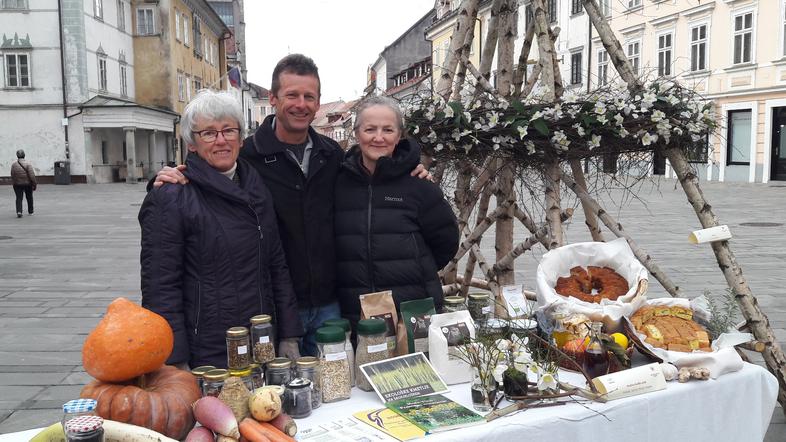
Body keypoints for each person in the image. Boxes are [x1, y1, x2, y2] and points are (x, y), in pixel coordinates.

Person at [155, 54, 430, 356]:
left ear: (317, 101)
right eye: (292, 95)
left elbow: (373, 178)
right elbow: (207, 175)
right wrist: (173, 177)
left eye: (309, 96)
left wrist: (411, 173)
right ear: (273, 98)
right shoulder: (247, 158)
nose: (301, 104)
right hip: (272, 308)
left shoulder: (333, 156)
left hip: (330, 305)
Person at [139, 90, 303, 368]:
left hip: (261, 342)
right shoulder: (173, 195)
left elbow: (277, 265)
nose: (221, 140)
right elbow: (160, 287)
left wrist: (289, 334)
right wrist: (174, 359)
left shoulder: (257, 187)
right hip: (206, 350)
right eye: (208, 133)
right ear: (192, 144)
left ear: (240, 137)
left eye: (228, 130)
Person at [334, 96, 459, 330]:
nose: (378, 137)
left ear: (399, 135)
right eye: (370, 129)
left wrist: (416, 269)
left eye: (388, 130)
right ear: (356, 133)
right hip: (354, 309)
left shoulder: (418, 184)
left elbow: (446, 241)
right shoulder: (337, 183)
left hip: (412, 308)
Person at [10, 149, 36, 218]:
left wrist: (14, 182)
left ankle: (19, 211)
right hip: (28, 184)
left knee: (19, 197)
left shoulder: (14, 165)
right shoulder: (28, 164)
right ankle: (30, 211)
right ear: (24, 155)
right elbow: (32, 175)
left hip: (17, 184)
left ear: (17, 156)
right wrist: (34, 184)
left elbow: (12, 174)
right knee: (29, 197)